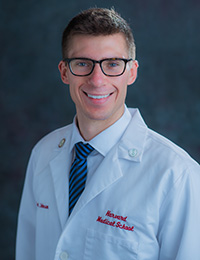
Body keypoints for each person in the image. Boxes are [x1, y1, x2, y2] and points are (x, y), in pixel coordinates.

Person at [16, 7, 200, 260]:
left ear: (132, 72)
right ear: (64, 72)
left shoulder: (177, 175)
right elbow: (27, 251)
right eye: (83, 63)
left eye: (113, 64)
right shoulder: (43, 153)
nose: (97, 80)